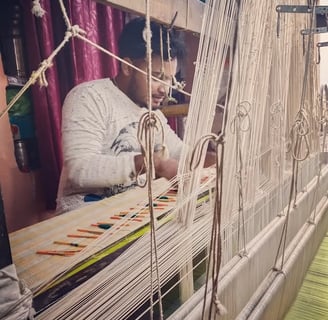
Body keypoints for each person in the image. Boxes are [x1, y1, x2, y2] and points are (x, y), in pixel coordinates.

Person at [56, 17, 188, 214]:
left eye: (169, 79)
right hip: (85, 219)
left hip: (131, 213)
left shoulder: (151, 112)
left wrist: (213, 152)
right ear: (127, 67)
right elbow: (79, 169)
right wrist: (152, 164)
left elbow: (181, 152)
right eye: (156, 77)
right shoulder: (89, 97)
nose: (165, 89)